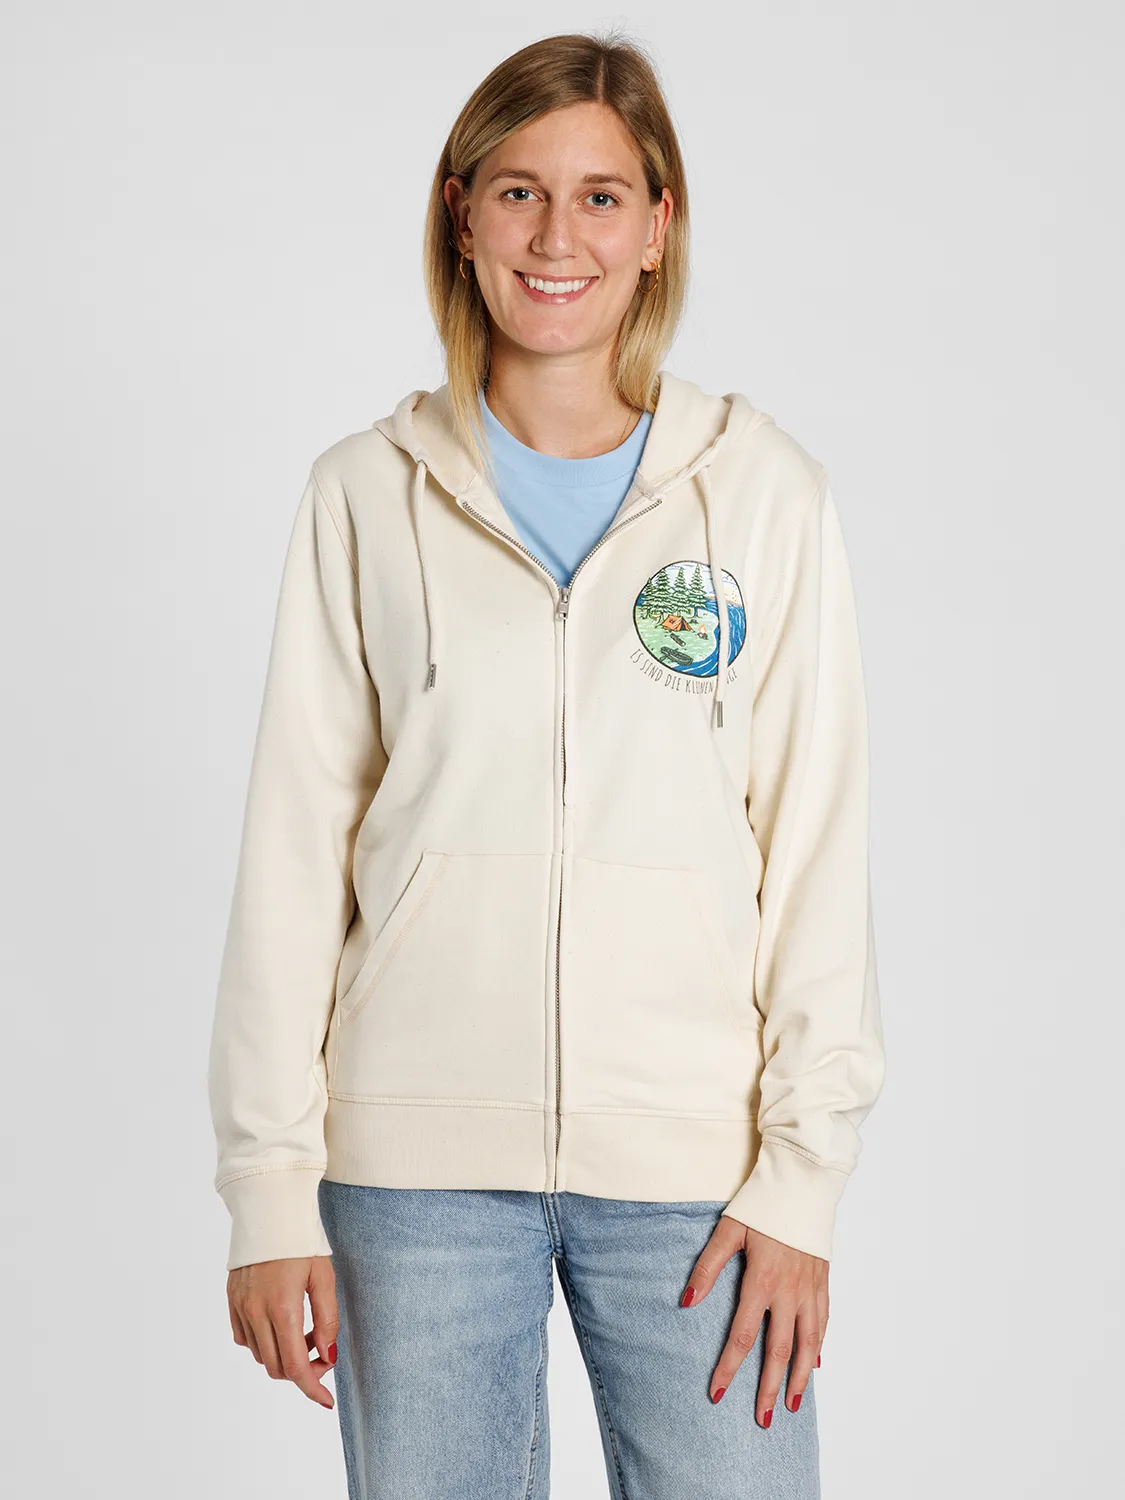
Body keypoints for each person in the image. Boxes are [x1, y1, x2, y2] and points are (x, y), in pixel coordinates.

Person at [207, 30, 886, 1500]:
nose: (556, 236)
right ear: (462, 216)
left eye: (600, 196)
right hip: (416, 1184)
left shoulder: (763, 496)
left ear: (658, 227)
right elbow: (292, 852)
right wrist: (267, 1185)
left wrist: (803, 1179)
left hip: (703, 1179)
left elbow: (817, 847)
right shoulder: (365, 496)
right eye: (518, 192)